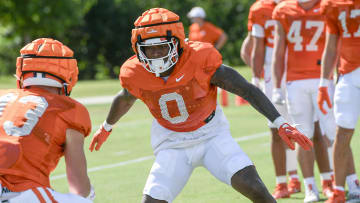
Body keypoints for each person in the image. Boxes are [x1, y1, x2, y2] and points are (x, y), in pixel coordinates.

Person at [89, 8, 312, 203]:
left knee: (255, 188)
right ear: (138, 49)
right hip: (171, 142)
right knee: (151, 200)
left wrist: (280, 122)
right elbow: (125, 98)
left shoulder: (199, 59)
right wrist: (106, 127)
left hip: (211, 135)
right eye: (149, 49)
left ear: (177, 44)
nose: (155, 55)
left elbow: (245, 89)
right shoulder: (135, 72)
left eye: (161, 48)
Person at [0, 38, 95, 202]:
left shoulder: (3, 95)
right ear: (69, 74)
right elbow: (79, 187)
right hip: (17, 192)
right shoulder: (69, 109)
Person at [272, 0, 338, 202]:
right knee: (303, 135)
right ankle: (310, 187)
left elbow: (338, 42)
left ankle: (339, 183)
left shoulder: (329, 6)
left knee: (334, 133)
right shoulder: (283, 10)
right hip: (296, 81)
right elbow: (279, 50)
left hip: (323, 79)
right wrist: (276, 86)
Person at [245, 0, 303, 199]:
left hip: (299, 67)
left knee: (300, 125)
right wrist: (255, 76)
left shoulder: (299, 4)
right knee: (276, 127)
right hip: (271, 70)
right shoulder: (260, 9)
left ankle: (296, 177)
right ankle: (282, 182)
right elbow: (257, 46)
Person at [318, 0, 360, 202]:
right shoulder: (333, 4)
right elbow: (331, 44)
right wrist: (323, 83)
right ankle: (339, 191)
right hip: (348, 74)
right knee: (341, 131)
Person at [187, 6, 232, 107]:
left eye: (194, 17)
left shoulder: (208, 27)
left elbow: (223, 36)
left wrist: (215, 48)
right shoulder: (192, 28)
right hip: (196, 60)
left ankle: (218, 102)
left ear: (200, 17)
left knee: (212, 79)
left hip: (208, 60)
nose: (192, 19)